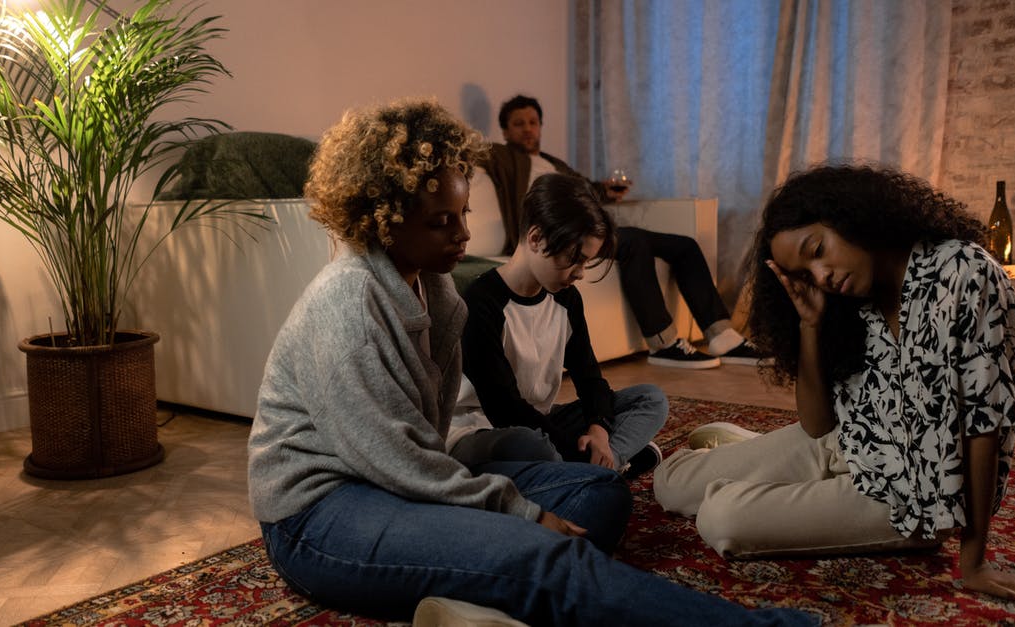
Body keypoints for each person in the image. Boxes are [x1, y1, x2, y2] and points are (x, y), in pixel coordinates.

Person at [247, 98, 817, 626]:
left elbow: (422, 448)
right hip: (322, 511)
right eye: (442, 221)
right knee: (548, 555)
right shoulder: (349, 304)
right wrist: (518, 515)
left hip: (403, 478)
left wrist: (511, 505)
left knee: (598, 495)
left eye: (463, 212)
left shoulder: (436, 292)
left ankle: (471, 593)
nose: (464, 233)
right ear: (384, 217)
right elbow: (397, 461)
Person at [652, 165, 1015, 607]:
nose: (822, 275)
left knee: (720, 517)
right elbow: (817, 427)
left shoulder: (964, 275)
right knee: (670, 481)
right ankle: (753, 458)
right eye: (806, 273)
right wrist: (811, 324)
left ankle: (758, 471)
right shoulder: (851, 299)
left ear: (850, 216)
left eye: (818, 250)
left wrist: (975, 563)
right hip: (847, 442)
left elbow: (984, 427)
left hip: (913, 495)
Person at [481, 94, 763, 369]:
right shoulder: (503, 156)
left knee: (685, 245)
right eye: (519, 124)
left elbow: (583, 191)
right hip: (558, 235)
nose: (528, 129)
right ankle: (663, 344)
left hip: (585, 227)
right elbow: (475, 153)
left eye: (533, 122)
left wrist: (604, 189)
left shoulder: (554, 164)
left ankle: (722, 335)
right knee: (635, 241)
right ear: (505, 131)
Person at [450, 173, 668, 480]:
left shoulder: (567, 300)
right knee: (529, 444)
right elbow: (503, 407)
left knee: (651, 399)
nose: (579, 273)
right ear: (536, 238)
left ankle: (601, 467)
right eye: (574, 259)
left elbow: (590, 378)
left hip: (539, 422)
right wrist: (570, 444)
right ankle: (594, 469)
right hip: (483, 429)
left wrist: (599, 431)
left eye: (586, 263)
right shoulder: (480, 302)